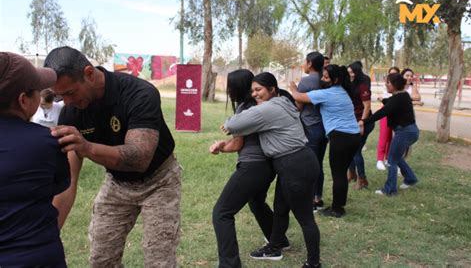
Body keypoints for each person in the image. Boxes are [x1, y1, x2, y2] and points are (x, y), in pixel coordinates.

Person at [44, 46, 181, 268]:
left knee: (159, 261)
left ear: (89, 73)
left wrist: (87, 147)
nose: (66, 102)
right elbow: (68, 181)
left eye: (70, 93)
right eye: (60, 95)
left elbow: (140, 157)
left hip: (159, 181)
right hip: (117, 184)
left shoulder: (138, 93)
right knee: (101, 259)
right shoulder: (71, 113)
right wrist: (48, 235)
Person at [224, 72, 321, 268]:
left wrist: (228, 124)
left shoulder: (269, 108)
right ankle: (275, 246)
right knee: (281, 208)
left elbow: (233, 125)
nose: (254, 94)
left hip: (294, 164)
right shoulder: (283, 101)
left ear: (272, 89)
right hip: (297, 161)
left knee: (305, 217)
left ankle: (313, 263)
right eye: (252, 91)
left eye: (258, 90)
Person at [209, 69, 289, 268]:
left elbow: (238, 145)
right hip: (269, 166)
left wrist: (221, 147)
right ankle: (278, 240)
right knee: (256, 201)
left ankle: (229, 264)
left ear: (236, 87)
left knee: (222, 212)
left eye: (229, 86)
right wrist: (222, 144)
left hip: (253, 167)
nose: (228, 90)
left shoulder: (246, 108)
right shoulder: (264, 104)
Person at [0, 52, 70, 267]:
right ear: (23, 100)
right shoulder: (47, 142)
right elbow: (60, 185)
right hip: (36, 257)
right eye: (37, 91)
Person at [289, 65, 361, 218]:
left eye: (326, 77)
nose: (322, 79)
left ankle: (337, 209)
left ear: (335, 79)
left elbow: (298, 97)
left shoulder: (327, 93)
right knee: (341, 172)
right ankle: (339, 204)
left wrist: (293, 86)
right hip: (353, 136)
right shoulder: (343, 91)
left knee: (338, 174)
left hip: (341, 137)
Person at [360, 73, 419, 196]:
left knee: (391, 160)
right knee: (397, 157)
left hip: (404, 132)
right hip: (410, 131)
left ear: (395, 85)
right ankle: (410, 178)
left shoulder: (398, 99)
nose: (386, 84)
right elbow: (390, 102)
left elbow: (382, 113)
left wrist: (364, 121)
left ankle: (390, 189)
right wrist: (384, 100)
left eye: (388, 82)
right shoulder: (402, 96)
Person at [297, 52, 328, 210]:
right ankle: (318, 197)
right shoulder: (325, 80)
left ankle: (311, 201)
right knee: (319, 164)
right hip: (325, 127)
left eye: (304, 61)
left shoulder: (306, 81)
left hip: (310, 127)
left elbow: (298, 106)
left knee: (310, 164)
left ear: (309, 64)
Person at [347, 62, 374, 190]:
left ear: (357, 72)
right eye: (348, 72)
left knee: (356, 150)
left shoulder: (363, 85)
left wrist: (362, 122)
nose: (350, 75)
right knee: (350, 149)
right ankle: (351, 173)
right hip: (353, 121)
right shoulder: (350, 84)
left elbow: (367, 106)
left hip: (364, 122)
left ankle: (362, 179)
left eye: (352, 72)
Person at [375, 67, 400, 170]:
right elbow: (383, 97)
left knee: (392, 137)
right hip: (386, 111)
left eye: (395, 74)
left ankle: (387, 158)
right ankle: (380, 159)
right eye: (391, 74)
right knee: (384, 135)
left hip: (397, 113)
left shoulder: (400, 87)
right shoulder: (386, 86)